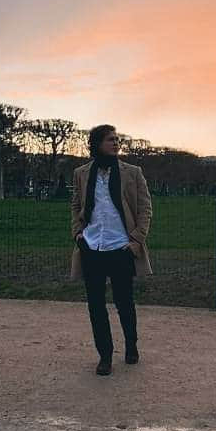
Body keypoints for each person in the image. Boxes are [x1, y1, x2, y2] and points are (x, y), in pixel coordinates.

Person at [70, 125, 153, 375]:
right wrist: (78, 234)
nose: (116, 143)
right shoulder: (81, 173)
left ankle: (131, 345)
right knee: (95, 305)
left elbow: (145, 208)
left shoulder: (133, 172)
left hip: (121, 246)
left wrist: (137, 239)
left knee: (124, 302)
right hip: (92, 246)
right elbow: (75, 205)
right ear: (97, 144)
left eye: (117, 139)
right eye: (110, 140)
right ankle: (104, 355)